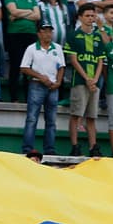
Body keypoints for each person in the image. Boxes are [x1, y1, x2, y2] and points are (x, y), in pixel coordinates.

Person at [20, 21, 66, 155]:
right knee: (32, 118)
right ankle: (28, 148)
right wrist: (41, 77)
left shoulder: (57, 47)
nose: (48, 34)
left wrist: (58, 82)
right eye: (45, 31)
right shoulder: (31, 48)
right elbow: (24, 68)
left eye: (50, 31)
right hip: (36, 84)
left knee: (51, 120)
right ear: (38, 34)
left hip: (52, 86)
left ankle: (49, 149)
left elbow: (62, 67)